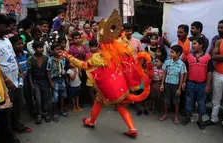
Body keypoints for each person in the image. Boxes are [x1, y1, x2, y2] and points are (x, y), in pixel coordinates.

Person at [60, 9, 154, 138]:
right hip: (121, 87)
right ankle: (132, 128)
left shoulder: (98, 57)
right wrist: (121, 35)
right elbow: (125, 42)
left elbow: (83, 65)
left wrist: (67, 56)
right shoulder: (121, 50)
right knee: (121, 107)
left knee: (98, 102)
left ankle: (91, 121)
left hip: (106, 90)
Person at [0, 14, 25, 143]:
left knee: (18, 105)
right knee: (7, 111)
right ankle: (10, 135)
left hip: (17, 79)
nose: (8, 29)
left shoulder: (6, 39)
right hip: (5, 84)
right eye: (5, 26)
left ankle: (17, 125)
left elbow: (13, 56)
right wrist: (6, 80)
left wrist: (20, 71)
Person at [181, 37, 213, 130]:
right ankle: (187, 117)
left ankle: (200, 120)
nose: (192, 46)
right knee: (188, 100)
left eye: (194, 43)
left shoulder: (207, 58)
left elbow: (209, 72)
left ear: (201, 45)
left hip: (202, 84)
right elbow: (186, 71)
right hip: (190, 83)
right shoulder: (189, 57)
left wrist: (208, 85)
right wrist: (184, 82)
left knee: (201, 102)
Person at [159, 45, 187, 125]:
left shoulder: (181, 64)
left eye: (172, 52)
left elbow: (182, 76)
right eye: (170, 52)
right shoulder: (167, 62)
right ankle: (165, 114)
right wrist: (162, 84)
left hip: (176, 85)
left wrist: (179, 89)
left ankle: (176, 117)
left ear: (178, 54)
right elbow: (164, 73)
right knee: (166, 100)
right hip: (167, 84)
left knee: (176, 101)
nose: (170, 54)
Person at [27, 41, 51, 124]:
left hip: (45, 80)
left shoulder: (46, 58)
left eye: (42, 47)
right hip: (35, 80)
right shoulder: (30, 59)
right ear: (34, 49)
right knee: (38, 99)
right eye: (39, 47)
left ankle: (45, 113)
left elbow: (48, 71)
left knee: (45, 97)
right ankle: (39, 114)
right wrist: (31, 84)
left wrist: (50, 82)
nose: (41, 49)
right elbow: (29, 74)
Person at [10, 35, 34, 117]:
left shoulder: (26, 53)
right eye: (18, 44)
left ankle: (31, 110)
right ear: (12, 45)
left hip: (27, 77)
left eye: (21, 44)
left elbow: (29, 65)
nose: (21, 45)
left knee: (28, 94)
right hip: (18, 78)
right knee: (20, 97)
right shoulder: (13, 57)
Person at [47, 43, 69, 122]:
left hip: (62, 79)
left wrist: (66, 78)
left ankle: (61, 110)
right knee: (55, 98)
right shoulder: (50, 60)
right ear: (53, 51)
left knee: (63, 95)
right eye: (56, 49)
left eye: (60, 49)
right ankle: (55, 113)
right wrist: (50, 82)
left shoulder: (63, 59)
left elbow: (64, 69)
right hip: (55, 80)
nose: (59, 50)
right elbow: (48, 71)